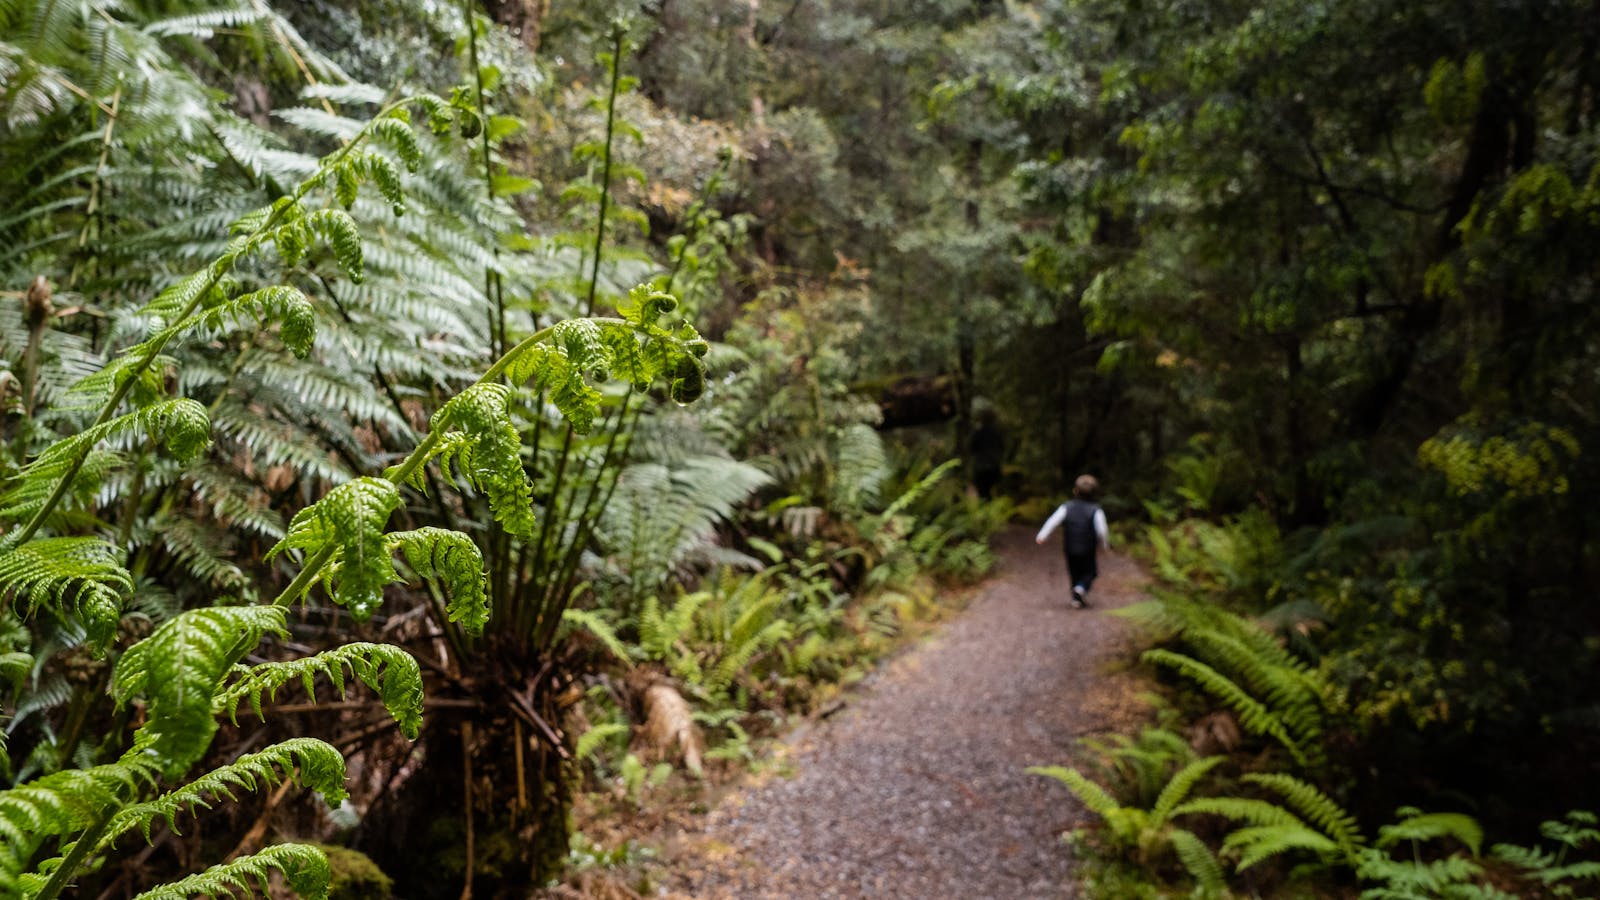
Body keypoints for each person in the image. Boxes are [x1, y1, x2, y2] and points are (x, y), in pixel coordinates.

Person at [1036, 474, 1109, 608]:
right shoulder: (1096, 510)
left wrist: (1042, 535)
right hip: (1088, 548)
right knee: (1090, 572)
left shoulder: (1067, 507)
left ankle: (1076, 597)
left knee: (1074, 571)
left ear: (1075, 490)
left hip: (1070, 547)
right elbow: (1102, 530)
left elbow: (1053, 521)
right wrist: (1104, 545)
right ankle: (1080, 590)